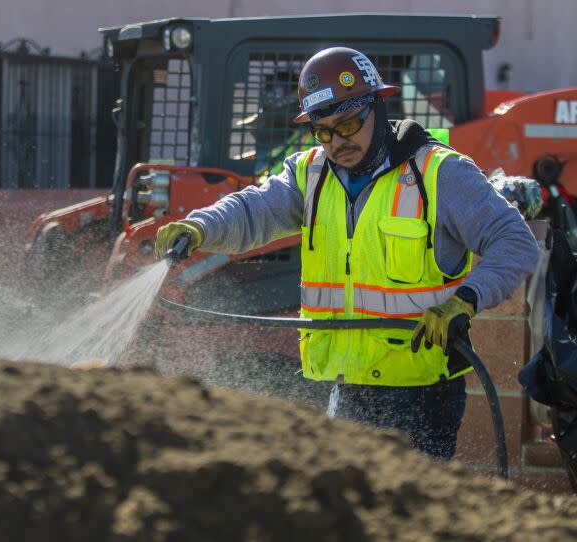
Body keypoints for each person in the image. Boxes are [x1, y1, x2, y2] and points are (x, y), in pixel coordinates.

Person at [155, 47, 540, 460]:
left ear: (378, 104)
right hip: (347, 385)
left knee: (405, 516)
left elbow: (515, 241)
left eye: (349, 124)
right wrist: (199, 226)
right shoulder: (309, 175)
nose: (338, 141)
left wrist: (466, 298)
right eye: (323, 132)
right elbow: (251, 210)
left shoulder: (440, 174)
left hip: (421, 395)